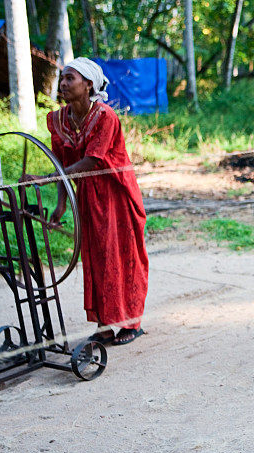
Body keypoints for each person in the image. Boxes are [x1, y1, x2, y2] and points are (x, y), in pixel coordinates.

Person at [43, 58, 149, 346]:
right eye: (62, 78)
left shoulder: (105, 117)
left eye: (70, 78)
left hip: (116, 196)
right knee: (95, 258)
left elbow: (92, 160)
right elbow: (62, 162)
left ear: (88, 84)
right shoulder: (59, 120)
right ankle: (104, 326)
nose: (63, 84)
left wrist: (52, 177)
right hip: (88, 197)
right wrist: (62, 202)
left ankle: (130, 322)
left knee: (120, 256)